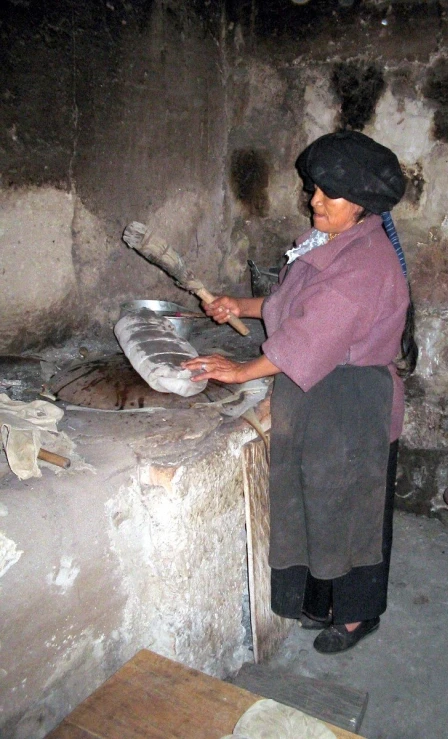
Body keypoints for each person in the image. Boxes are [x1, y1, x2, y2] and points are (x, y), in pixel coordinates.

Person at [183, 130, 417, 654]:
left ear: (359, 204)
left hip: (354, 404)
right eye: (313, 188)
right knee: (316, 500)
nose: (313, 199)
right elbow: (295, 303)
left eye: (326, 194)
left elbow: (314, 336)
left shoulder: (364, 266)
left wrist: (240, 371)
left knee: (354, 509)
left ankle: (358, 615)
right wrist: (237, 306)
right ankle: (322, 599)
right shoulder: (334, 241)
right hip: (319, 395)